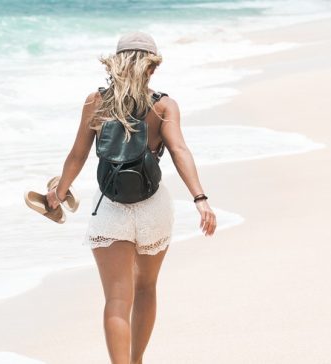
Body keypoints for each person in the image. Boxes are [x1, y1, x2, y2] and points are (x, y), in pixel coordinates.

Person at [46, 31, 217, 364]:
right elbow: (180, 149)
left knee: (116, 300)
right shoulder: (164, 105)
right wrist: (200, 198)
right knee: (146, 288)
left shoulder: (96, 102)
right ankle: (137, 360)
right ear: (152, 67)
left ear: (116, 64)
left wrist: (59, 192)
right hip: (153, 208)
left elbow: (78, 154)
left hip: (110, 209)